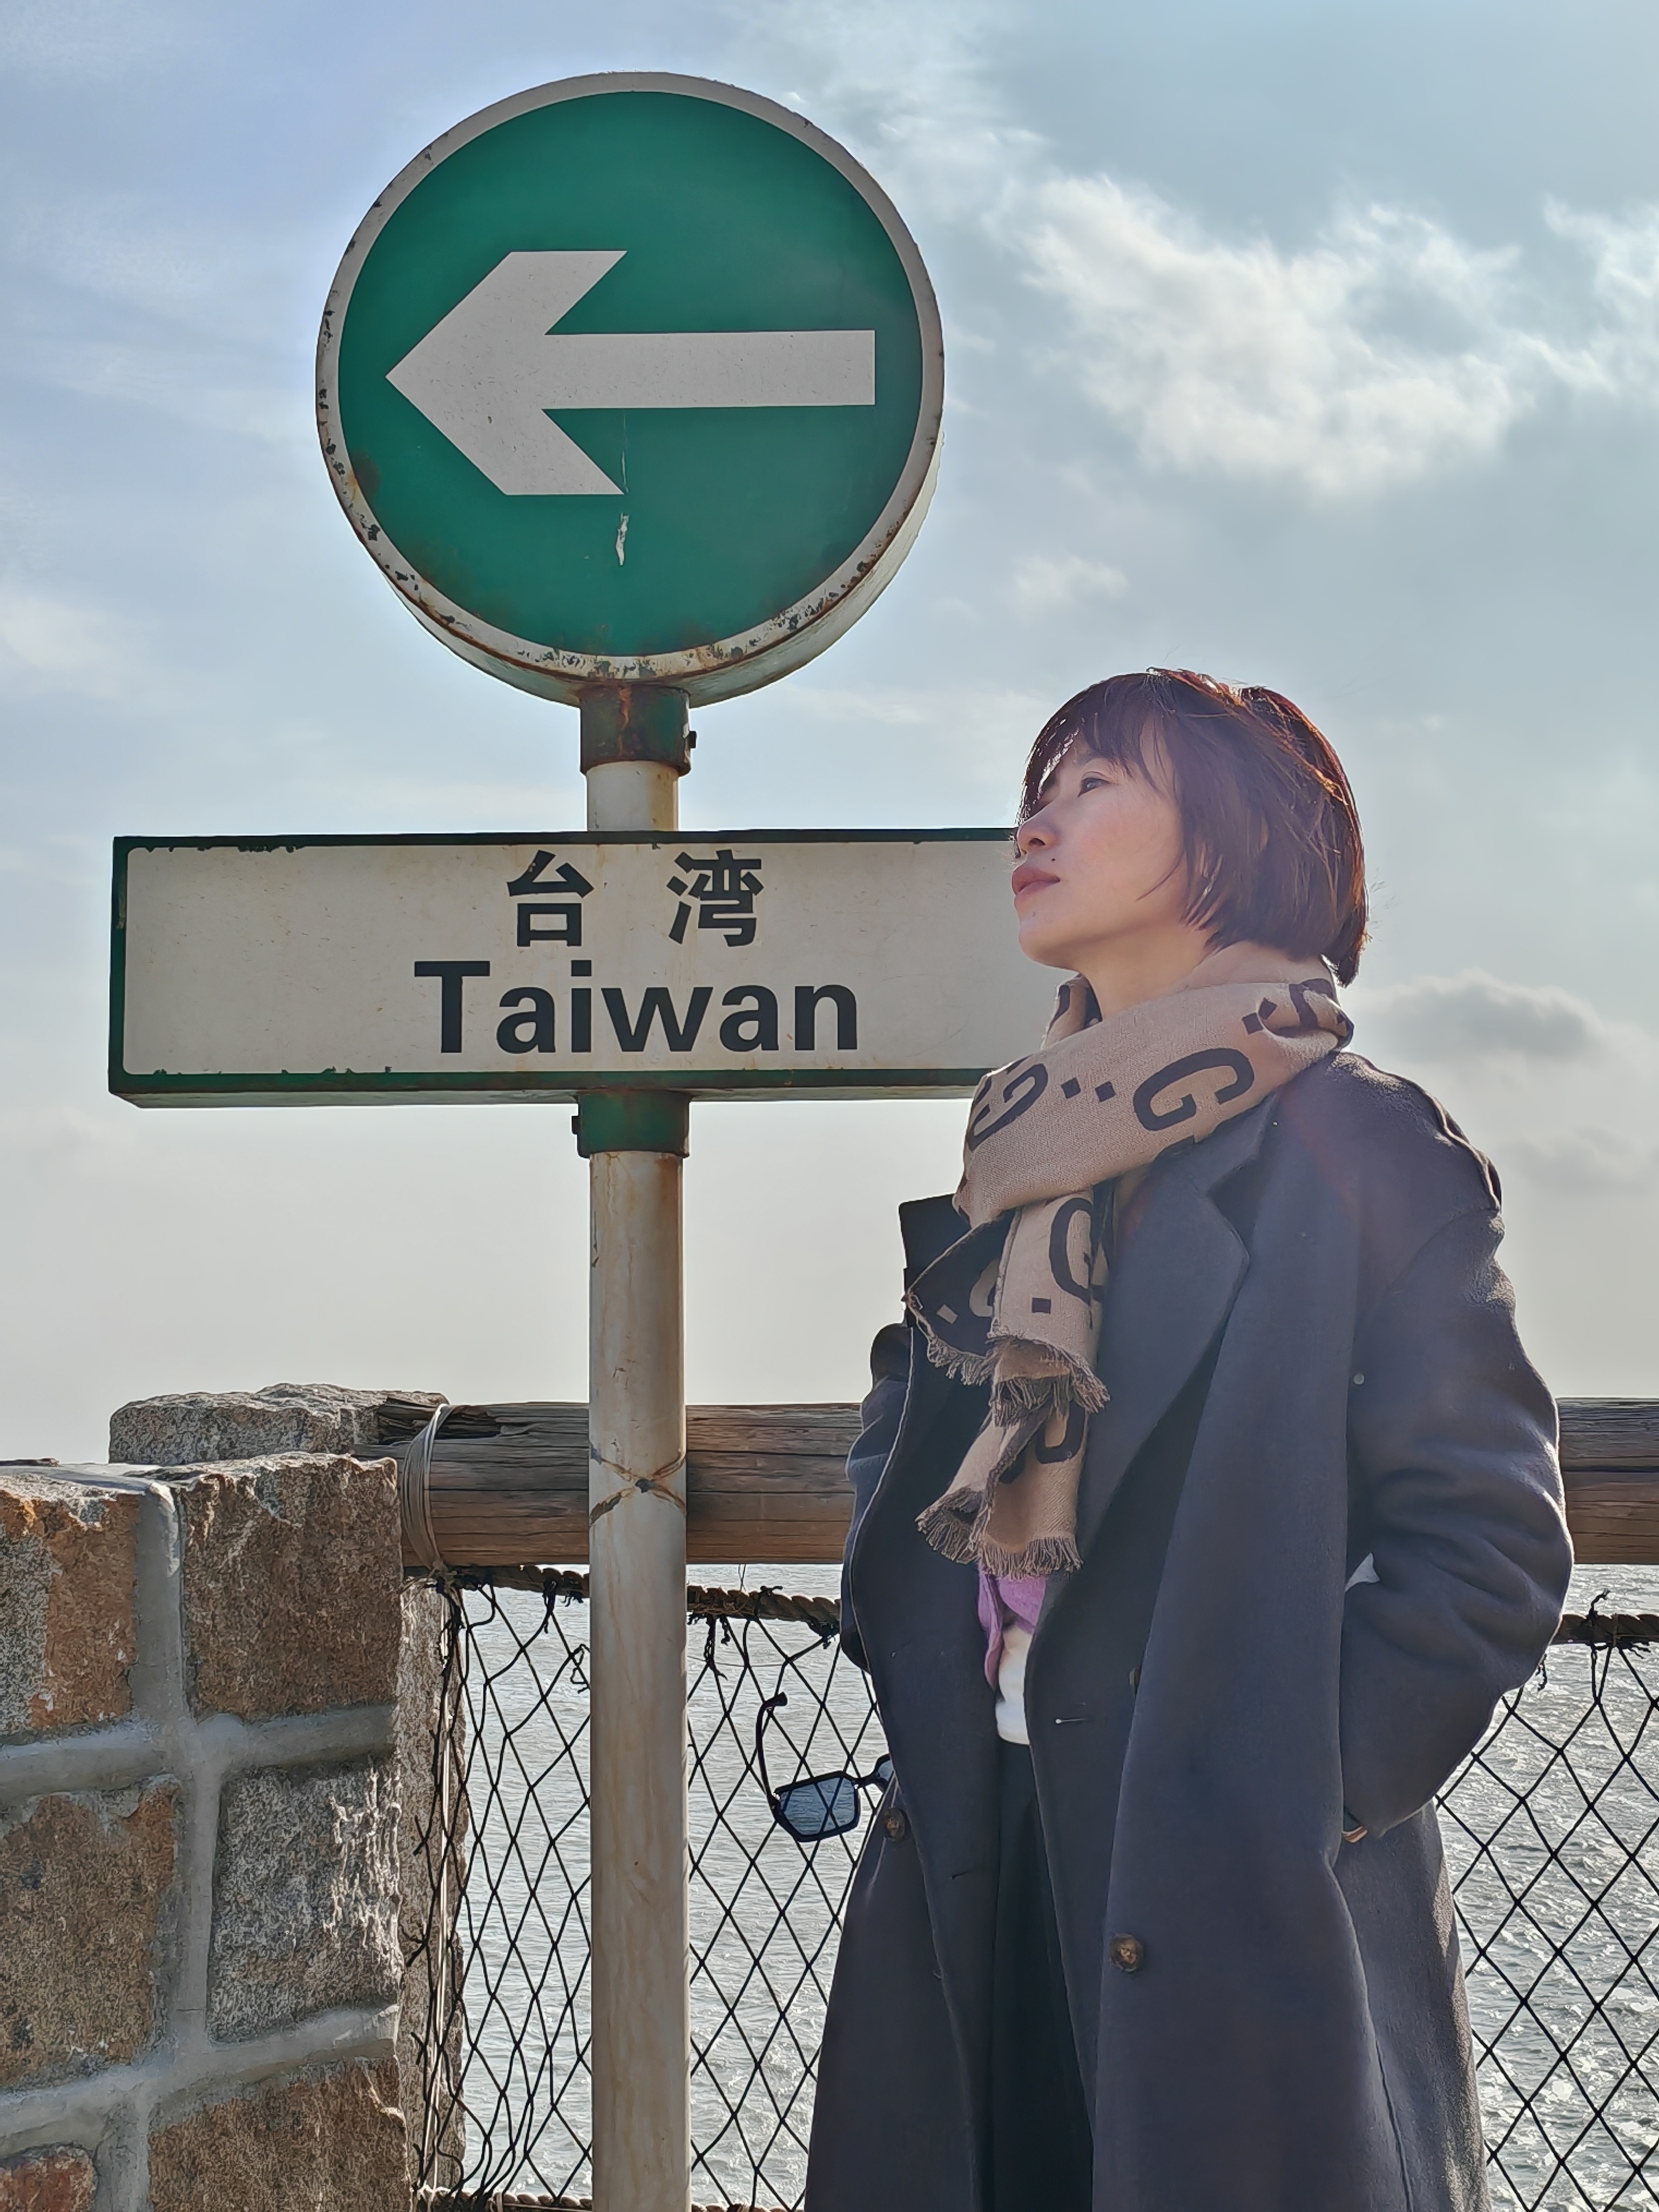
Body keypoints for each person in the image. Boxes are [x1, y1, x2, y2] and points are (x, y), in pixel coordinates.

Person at [805, 670, 1572, 2212]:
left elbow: (1487, 1548)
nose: (1037, 824)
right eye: (1037, 790)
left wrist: (1286, 1797)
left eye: (1095, 785)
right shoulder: (1031, 1141)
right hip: (983, 1848)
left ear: (1237, 838)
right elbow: (912, 1411)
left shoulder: (1358, 1143)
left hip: (1235, 1905)